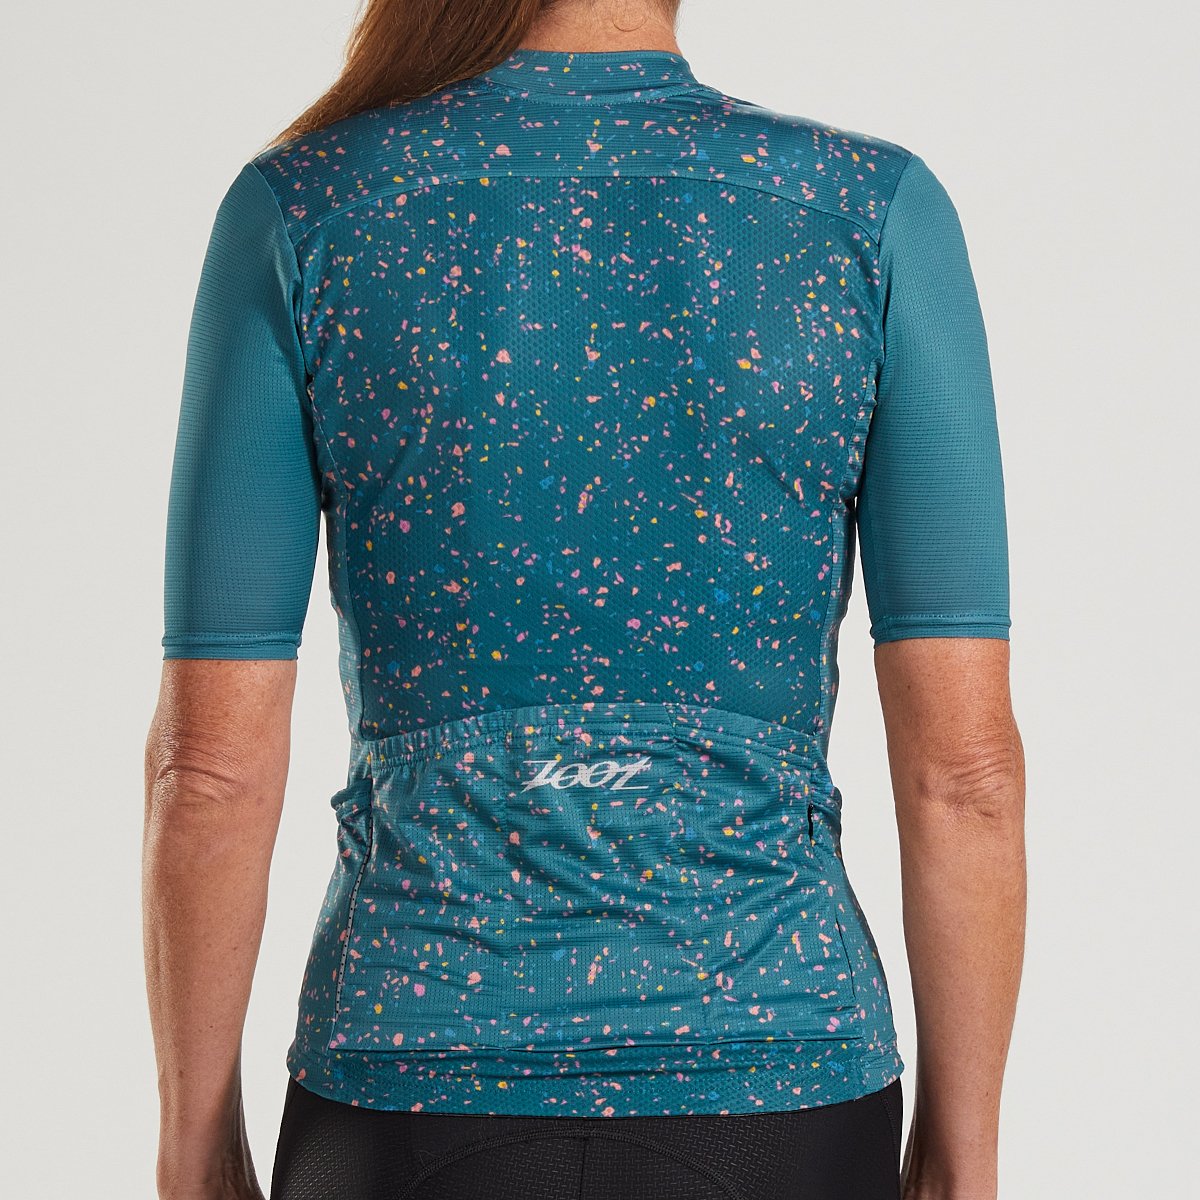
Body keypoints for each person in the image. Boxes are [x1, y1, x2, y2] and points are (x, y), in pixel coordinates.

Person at [142, 1, 1027, 1197]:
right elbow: (966, 774)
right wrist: (963, 1164)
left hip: (404, 1090)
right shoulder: (867, 216)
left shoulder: (309, 210)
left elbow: (207, 771)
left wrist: (194, 1157)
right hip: (783, 1089)